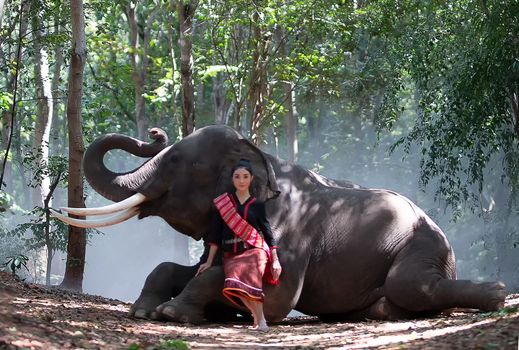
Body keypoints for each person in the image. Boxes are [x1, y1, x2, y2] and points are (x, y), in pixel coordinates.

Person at [196, 158, 282, 332]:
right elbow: (215, 236)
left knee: (251, 279)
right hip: (232, 255)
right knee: (232, 284)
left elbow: (267, 233)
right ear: (232, 179)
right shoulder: (223, 204)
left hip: (254, 251)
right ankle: (258, 318)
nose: (241, 180)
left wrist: (275, 259)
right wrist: (209, 261)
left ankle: (261, 322)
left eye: (245, 176)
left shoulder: (257, 205)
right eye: (237, 177)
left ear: (251, 179)